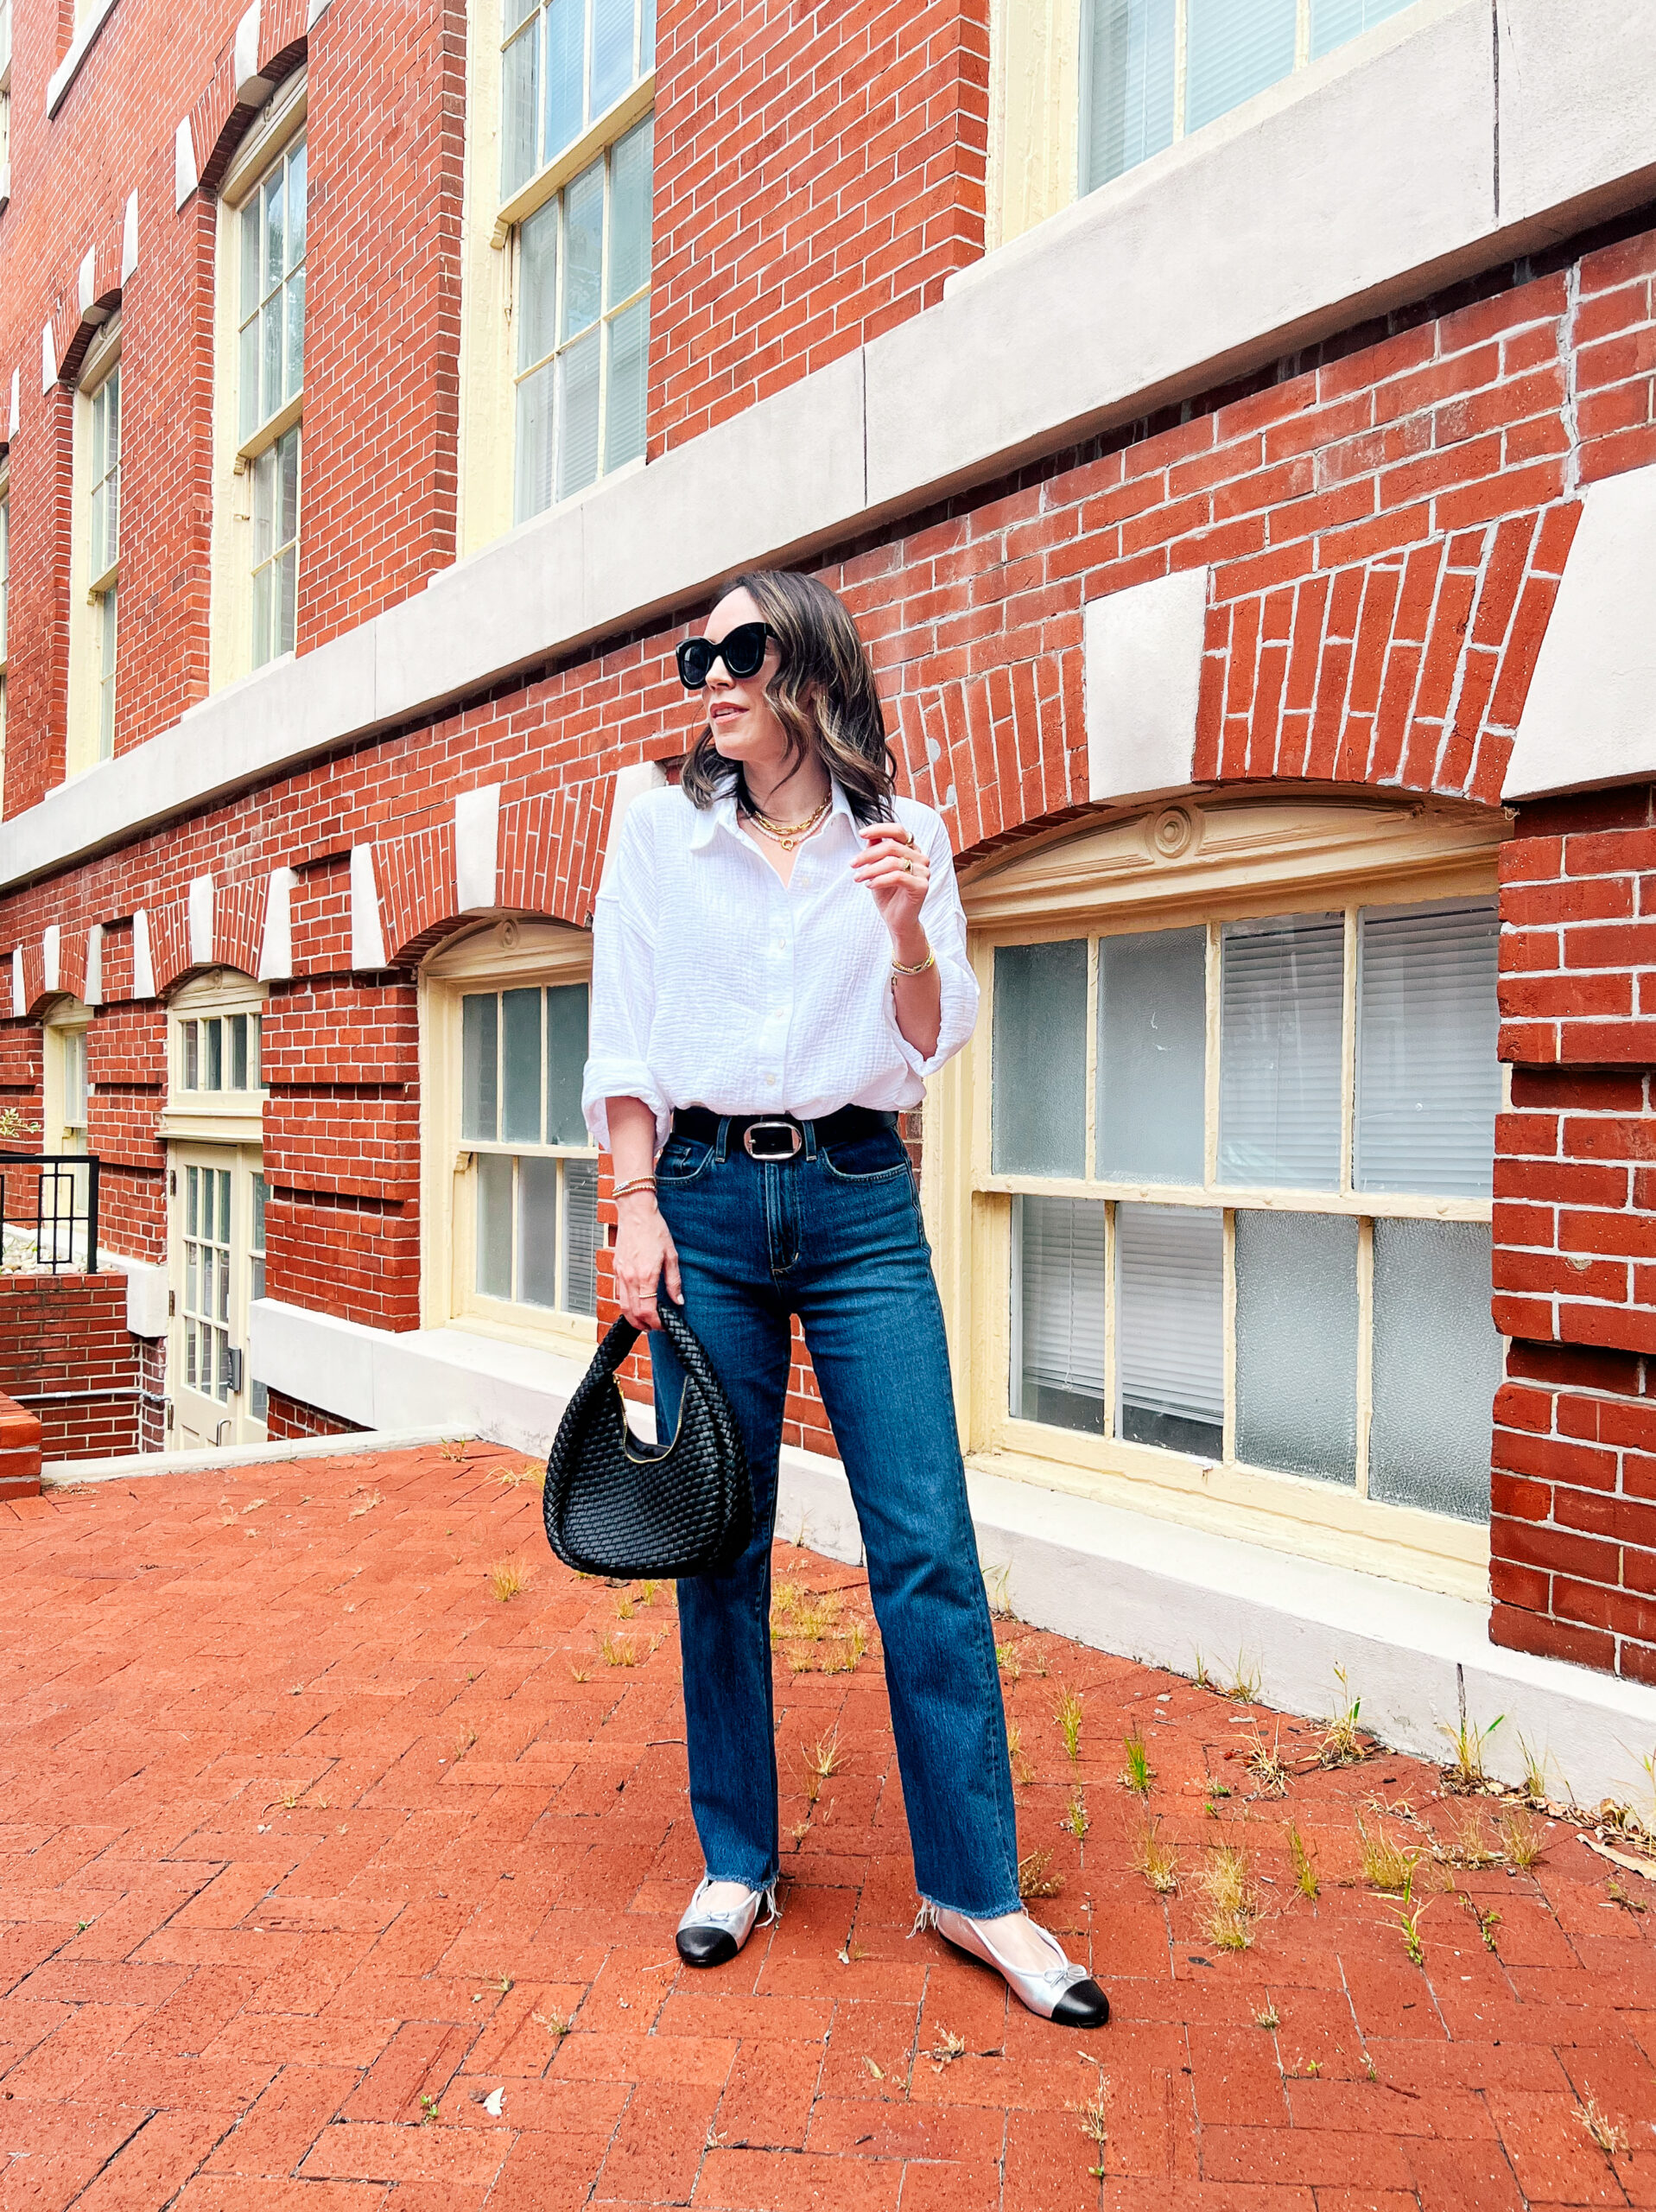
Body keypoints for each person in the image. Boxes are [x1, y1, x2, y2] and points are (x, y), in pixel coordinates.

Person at [581, 569, 1108, 2029]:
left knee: (924, 1541)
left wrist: (904, 928)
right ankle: (736, 1860)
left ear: (811, 667)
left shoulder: (905, 836)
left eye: (741, 650)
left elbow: (927, 1040)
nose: (712, 677)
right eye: (696, 655)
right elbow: (623, 1033)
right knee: (720, 1538)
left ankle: (974, 1888)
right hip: (700, 1199)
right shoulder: (660, 830)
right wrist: (633, 1206)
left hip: (859, 1199)